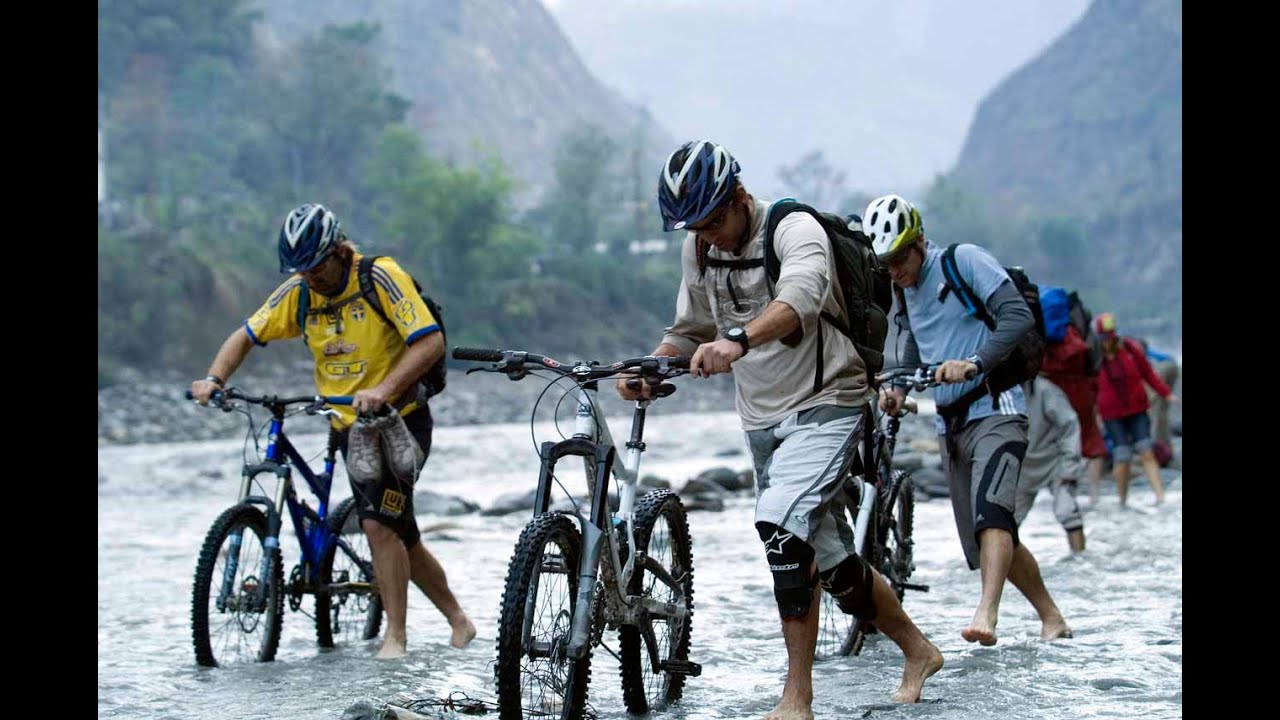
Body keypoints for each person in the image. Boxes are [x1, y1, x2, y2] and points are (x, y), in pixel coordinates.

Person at [621, 141, 941, 715]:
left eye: (716, 219)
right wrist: (652, 365)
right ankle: (917, 650)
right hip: (762, 416)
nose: (709, 233)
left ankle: (797, 697)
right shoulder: (700, 248)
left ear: (740, 197)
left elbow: (800, 299)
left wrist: (737, 340)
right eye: (695, 225)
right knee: (835, 561)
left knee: (779, 528)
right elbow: (691, 328)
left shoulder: (794, 230)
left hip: (829, 399)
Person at [190, 203, 476, 659]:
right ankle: (459, 620)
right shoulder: (299, 293)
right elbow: (245, 334)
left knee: (378, 525)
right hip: (347, 425)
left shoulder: (379, 277)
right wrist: (214, 379)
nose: (310, 277)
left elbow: (430, 342)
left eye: (316, 265)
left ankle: (395, 639)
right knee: (402, 531)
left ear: (340, 251)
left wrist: (382, 390)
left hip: (398, 421)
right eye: (300, 269)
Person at [868, 193, 1072, 647]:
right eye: (887, 263)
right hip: (950, 422)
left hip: (997, 407)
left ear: (919, 240)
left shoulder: (964, 261)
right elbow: (916, 345)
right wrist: (898, 389)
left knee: (993, 515)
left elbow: (1015, 316)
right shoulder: (903, 292)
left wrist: (975, 362)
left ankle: (987, 613)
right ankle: (1051, 615)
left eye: (900, 257)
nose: (895, 270)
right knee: (986, 540)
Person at [1093, 313, 1179, 506]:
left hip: (1136, 408)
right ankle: (1122, 500)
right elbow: (1089, 385)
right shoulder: (1095, 357)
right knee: (1122, 455)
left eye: (1110, 336)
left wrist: (1166, 394)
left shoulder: (1130, 348)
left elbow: (1148, 373)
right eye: (1105, 337)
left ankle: (1160, 497)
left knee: (1146, 450)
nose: (1108, 341)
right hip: (1112, 414)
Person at [1039, 322, 1109, 504]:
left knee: (1057, 440)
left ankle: (1065, 490)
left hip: (1055, 393)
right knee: (1091, 439)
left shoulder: (1047, 333)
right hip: (1082, 392)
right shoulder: (1079, 333)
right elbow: (1093, 367)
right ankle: (1094, 493)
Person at [1017, 376, 1087, 553]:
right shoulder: (1000, 392)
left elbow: (1069, 426)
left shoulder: (1045, 390)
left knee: (1067, 511)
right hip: (1020, 467)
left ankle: (1081, 559)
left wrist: (1070, 465)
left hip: (1054, 461)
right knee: (1005, 524)